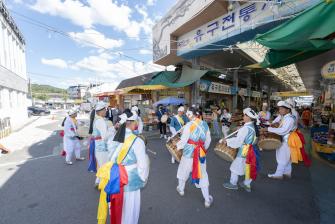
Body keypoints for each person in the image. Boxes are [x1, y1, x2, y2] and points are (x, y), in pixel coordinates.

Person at [96, 111, 149, 224]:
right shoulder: (137, 141)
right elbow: (142, 165)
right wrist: (143, 179)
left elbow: (109, 158)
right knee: (130, 208)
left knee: (118, 206)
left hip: (115, 177)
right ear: (133, 123)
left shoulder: (113, 138)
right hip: (130, 178)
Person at [175, 107, 213, 208]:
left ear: (191, 114)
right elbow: (208, 141)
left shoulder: (188, 125)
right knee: (203, 174)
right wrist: (203, 149)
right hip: (200, 153)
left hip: (188, 153)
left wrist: (177, 146)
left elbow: (183, 141)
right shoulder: (205, 125)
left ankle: (181, 189)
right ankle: (207, 199)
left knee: (184, 170)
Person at [222, 108, 260, 192]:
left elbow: (238, 141)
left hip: (244, 150)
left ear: (249, 117)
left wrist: (227, 141)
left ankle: (233, 183)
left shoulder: (245, 128)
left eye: (244, 115)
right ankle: (247, 184)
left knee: (235, 166)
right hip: (252, 149)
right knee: (248, 166)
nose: (243, 117)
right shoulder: (252, 126)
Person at [263, 101, 295, 179]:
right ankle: (287, 172)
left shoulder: (289, 119)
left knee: (282, 156)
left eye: (282, 109)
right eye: (279, 109)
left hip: (286, 139)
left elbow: (283, 130)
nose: (280, 110)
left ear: (288, 110)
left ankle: (278, 174)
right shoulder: (285, 117)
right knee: (286, 157)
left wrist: (268, 129)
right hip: (285, 139)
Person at [88, 101, 116, 187]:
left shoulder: (97, 120)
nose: (106, 111)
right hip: (102, 148)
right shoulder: (100, 121)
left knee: (101, 165)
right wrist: (113, 129)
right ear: (101, 111)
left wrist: (112, 128)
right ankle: (103, 185)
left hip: (98, 147)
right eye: (105, 109)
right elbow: (105, 136)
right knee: (104, 166)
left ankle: (98, 182)